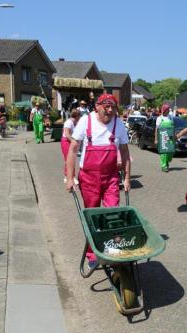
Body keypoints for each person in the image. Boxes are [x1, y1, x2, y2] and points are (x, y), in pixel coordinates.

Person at [66, 94, 131, 268]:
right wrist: (70, 178)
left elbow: (125, 153)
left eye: (113, 107)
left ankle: (112, 248)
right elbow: (72, 150)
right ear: (97, 106)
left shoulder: (119, 125)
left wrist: (126, 178)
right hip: (89, 179)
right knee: (93, 217)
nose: (110, 110)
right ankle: (91, 253)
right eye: (106, 106)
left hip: (110, 178)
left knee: (113, 216)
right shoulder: (86, 122)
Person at [61, 108, 81, 183]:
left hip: (71, 141)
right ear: (77, 115)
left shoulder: (75, 122)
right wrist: (73, 141)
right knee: (69, 159)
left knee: (72, 159)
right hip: (66, 141)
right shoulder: (68, 122)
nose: (80, 117)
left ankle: (68, 176)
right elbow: (67, 134)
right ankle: (71, 176)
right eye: (79, 115)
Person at [155, 104, 174, 172]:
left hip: (170, 137)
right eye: (167, 109)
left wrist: (175, 136)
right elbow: (156, 129)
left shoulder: (170, 117)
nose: (168, 111)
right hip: (162, 137)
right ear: (164, 110)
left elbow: (173, 127)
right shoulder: (159, 118)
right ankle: (164, 166)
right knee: (164, 152)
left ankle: (167, 161)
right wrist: (156, 139)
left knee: (170, 152)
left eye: (169, 109)